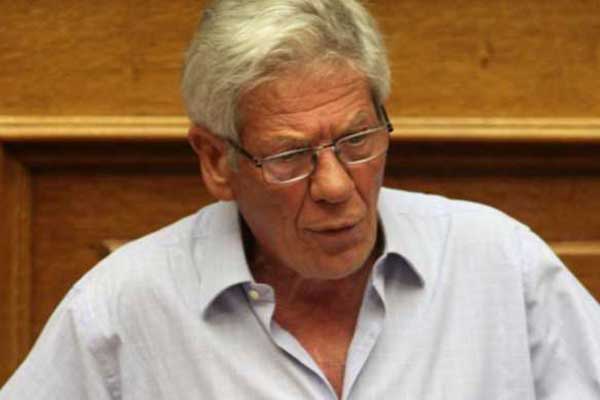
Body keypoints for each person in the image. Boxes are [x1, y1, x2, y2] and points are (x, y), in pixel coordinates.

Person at [2, 0, 599, 398]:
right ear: (216, 160)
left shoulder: (499, 263)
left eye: (358, 141)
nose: (335, 187)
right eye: (289, 156)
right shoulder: (122, 310)